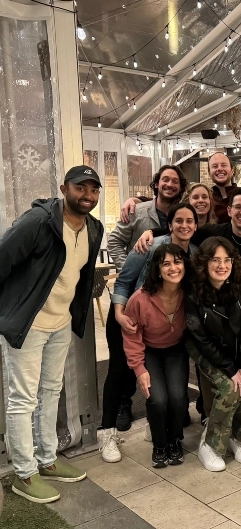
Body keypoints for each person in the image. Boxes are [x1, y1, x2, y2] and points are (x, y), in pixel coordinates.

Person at [0, 166, 103, 503]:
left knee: (51, 391)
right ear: (64, 188)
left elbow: (82, 274)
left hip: (59, 324)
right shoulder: (39, 222)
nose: (87, 195)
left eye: (93, 189)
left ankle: (47, 460)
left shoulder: (94, 228)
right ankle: (24, 474)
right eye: (80, 188)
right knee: (22, 399)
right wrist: (9, 310)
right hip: (28, 325)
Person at [100, 203, 198, 462]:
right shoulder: (150, 246)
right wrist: (120, 313)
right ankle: (109, 432)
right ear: (170, 223)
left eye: (191, 221)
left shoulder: (195, 260)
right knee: (127, 378)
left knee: (177, 399)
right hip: (133, 318)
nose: (185, 225)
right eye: (179, 220)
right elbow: (124, 280)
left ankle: (167, 434)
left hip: (173, 340)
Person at [104, 165, 187, 432]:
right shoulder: (138, 212)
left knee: (154, 356)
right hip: (130, 296)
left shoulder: (179, 217)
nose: (170, 184)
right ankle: (121, 407)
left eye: (175, 181)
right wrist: (130, 266)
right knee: (121, 361)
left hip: (162, 303)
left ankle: (172, 407)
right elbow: (115, 241)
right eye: (165, 179)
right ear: (156, 184)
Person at [185, 237, 241, 472]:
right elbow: (201, 339)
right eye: (215, 260)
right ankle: (210, 445)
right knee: (229, 389)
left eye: (226, 260)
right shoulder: (193, 290)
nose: (222, 265)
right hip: (206, 349)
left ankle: (235, 436)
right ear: (204, 263)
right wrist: (230, 369)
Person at [122, 244, 192, 468]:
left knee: (178, 398)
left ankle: (175, 441)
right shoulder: (139, 299)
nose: (173, 268)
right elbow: (131, 337)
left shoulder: (189, 293)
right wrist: (139, 369)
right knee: (157, 399)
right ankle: (160, 444)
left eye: (178, 262)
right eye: (166, 263)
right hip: (149, 350)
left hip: (176, 349)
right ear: (157, 269)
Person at [208, 152, 238, 223]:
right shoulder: (207, 199)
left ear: (232, 171)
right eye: (215, 166)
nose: (219, 169)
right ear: (209, 173)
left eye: (224, 165)